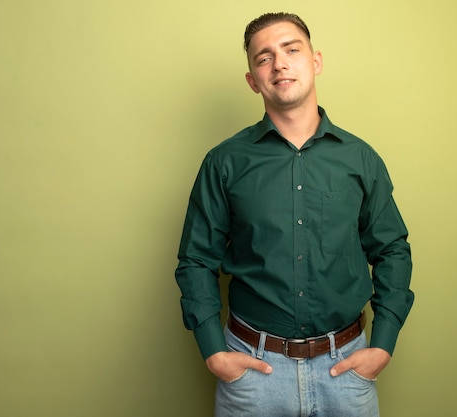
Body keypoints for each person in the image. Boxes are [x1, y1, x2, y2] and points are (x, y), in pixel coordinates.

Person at [175, 12, 414, 417]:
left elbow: (392, 249)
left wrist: (383, 343)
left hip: (347, 371)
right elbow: (196, 259)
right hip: (253, 376)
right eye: (263, 57)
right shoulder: (224, 162)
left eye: (291, 49)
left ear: (315, 61)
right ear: (253, 80)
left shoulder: (360, 159)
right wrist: (214, 351)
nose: (279, 63)